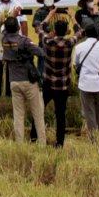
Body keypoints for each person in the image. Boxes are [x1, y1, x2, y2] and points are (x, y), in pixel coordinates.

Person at [31, 14, 82, 147]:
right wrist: (72, 16)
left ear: (54, 30)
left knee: (39, 110)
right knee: (60, 114)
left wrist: (50, 14)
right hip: (63, 86)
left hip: (48, 83)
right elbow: (80, 31)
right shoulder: (70, 43)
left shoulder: (48, 41)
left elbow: (39, 28)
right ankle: (59, 142)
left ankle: (34, 136)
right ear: (66, 31)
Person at [2, 17, 46, 146]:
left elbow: (3, 30)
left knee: (18, 115)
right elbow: (41, 53)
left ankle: (19, 143)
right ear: (18, 27)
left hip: (13, 81)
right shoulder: (25, 41)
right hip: (28, 81)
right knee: (37, 113)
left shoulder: (4, 39)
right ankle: (42, 144)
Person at [74, 26, 99, 142]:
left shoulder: (79, 47)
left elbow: (75, 64)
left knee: (89, 112)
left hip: (85, 83)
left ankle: (93, 138)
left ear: (85, 33)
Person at [33, 0, 64, 75]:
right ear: (43, 0)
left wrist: (66, 31)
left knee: (57, 69)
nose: (49, 0)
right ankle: (41, 86)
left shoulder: (59, 11)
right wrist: (47, 34)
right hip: (44, 45)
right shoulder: (39, 12)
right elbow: (36, 29)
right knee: (42, 68)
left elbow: (65, 28)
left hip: (59, 44)